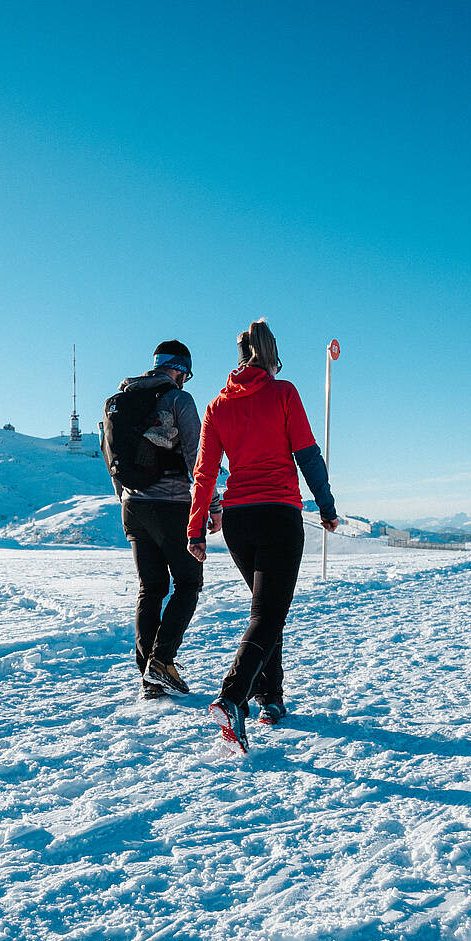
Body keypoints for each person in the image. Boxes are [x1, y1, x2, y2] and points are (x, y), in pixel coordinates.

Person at [187, 319, 338, 752]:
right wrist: (326, 506)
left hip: (238, 522)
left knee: (266, 608)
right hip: (278, 514)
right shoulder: (284, 392)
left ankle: (270, 698)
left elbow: (205, 473)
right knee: (269, 613)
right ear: (272, 354)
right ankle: (233, 697)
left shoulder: (217, 406)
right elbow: (308, 454)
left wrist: (196, 527)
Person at [104, 341, 203, 700]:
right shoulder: (178, 400)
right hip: (171, 504)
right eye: (185, 374)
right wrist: (213, 503)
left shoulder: (121, 401)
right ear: (180, 369)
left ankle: (148, 678)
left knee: (151, 588)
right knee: (189, 582)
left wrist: (128, 497)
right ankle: (161, 661)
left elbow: (112, 458)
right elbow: (196, 457)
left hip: (132, 507)